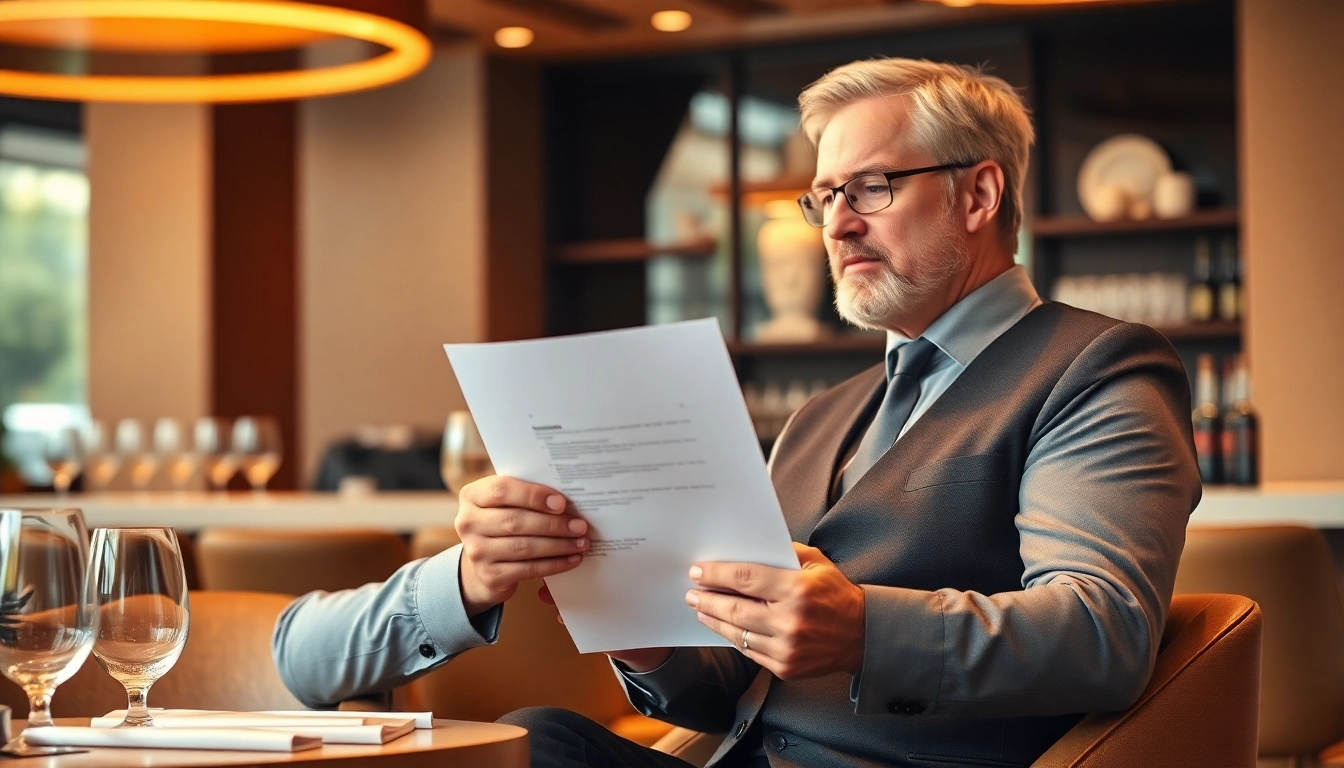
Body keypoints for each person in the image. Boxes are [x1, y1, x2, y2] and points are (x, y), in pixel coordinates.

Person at [273, 57, 1199, 768]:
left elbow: (1104, 630)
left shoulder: (1094, 366)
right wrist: (648, 647)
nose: (837, 223)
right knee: (533, 740)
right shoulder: (823, 416)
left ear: (980, 194)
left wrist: (867, 631)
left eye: (871, 186)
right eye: (826, 195)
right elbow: (730, 694)